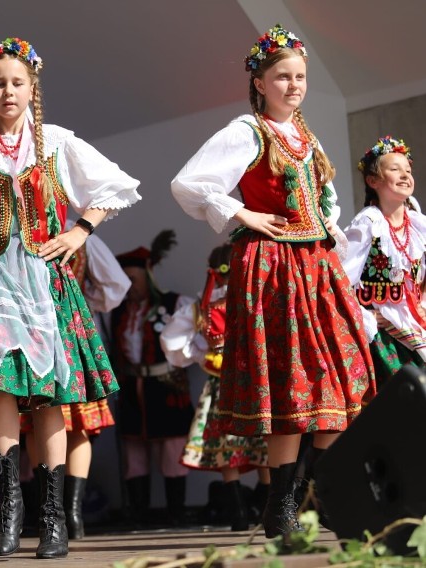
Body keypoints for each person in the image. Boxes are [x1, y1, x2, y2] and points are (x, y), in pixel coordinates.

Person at [0, 37, 140, 559]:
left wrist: (81, 230)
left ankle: (53, 515)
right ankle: (9, 508)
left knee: (50, 395)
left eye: (17, 82)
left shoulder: (57, 142)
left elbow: (114, 186)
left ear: (32, 87)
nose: (8, 91)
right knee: (0, 386)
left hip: (44, 279)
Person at [170, 24, 376, 538]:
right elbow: (189, 183)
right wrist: (243, 213)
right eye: (282, 76)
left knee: (340, 381)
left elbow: (324, 202)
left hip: (317, 266)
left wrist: (331, 239)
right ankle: (281, 504)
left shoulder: (306, 136)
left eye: (300, 76)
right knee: (290, 386)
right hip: (275, 267)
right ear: (260, 82)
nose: (293, 85)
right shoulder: (248, 131)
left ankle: (308, 491)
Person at [22, 217, 130, 539]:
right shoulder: (79, 233)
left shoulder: (23, 226)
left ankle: (48, 512)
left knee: (34, 421)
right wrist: (86, 304)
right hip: (72, 330)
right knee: (79, 426)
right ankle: (72, 513)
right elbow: (117, 286)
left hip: (32, 332)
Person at [160, 243, 269, 531]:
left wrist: (199, 355)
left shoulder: (201, 307)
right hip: (257, 383)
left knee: (226, 448)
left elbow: (170, 340)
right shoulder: (255, 299)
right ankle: (268, 506)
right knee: (264, 445)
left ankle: (239, 514)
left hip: (221, 384)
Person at [110, 232, 195, 527]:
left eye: (132, 280)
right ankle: (139, 512)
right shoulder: (118, 311)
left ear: (148, 276)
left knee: (172, 448)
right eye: (124, 281)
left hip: (166, 386)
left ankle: (176, 512)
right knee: (134, 451)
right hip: (133, 388)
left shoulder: (176, 304)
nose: (129, 288)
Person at [343, 136, 426, 388]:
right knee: (403, 397)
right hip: (384, 331)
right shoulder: (368, 224)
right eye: (394, 169)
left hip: (415, 323)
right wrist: (363, 314)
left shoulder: (418, 224)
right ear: (373, 181)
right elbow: (341, 278)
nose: (404, 175)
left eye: (408, 170)